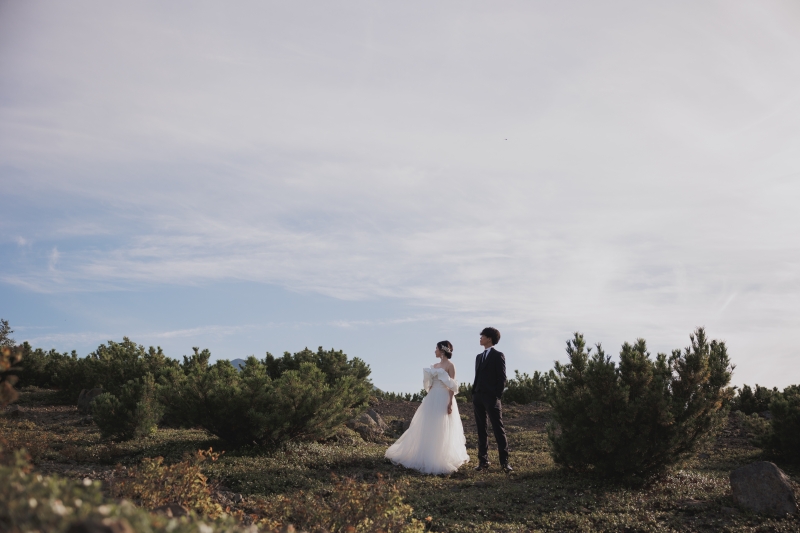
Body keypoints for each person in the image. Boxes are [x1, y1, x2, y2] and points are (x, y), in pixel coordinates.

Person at [384, 340, 470, 474]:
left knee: (441, 425)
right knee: (428, 424)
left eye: (436, 348)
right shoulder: (434, 366)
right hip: (432, 396)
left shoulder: (450, 365)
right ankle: (425, 454)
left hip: (444, 397)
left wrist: (450, 403)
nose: (435, 351)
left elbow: (452, 385)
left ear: (442, 350)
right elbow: (429, 384)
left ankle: (439, 457)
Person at [473, 327, 512, 472]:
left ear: (489, 338)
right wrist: (474, 393)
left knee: (498, 429)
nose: (480, 338)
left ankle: (504, 462)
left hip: (491, 397)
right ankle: (483, 461)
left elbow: (502, 378)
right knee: (481, 429)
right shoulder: (478, 357)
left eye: (482, 336)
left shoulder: (498, 355)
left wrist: (496, 395)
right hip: (478, 396)